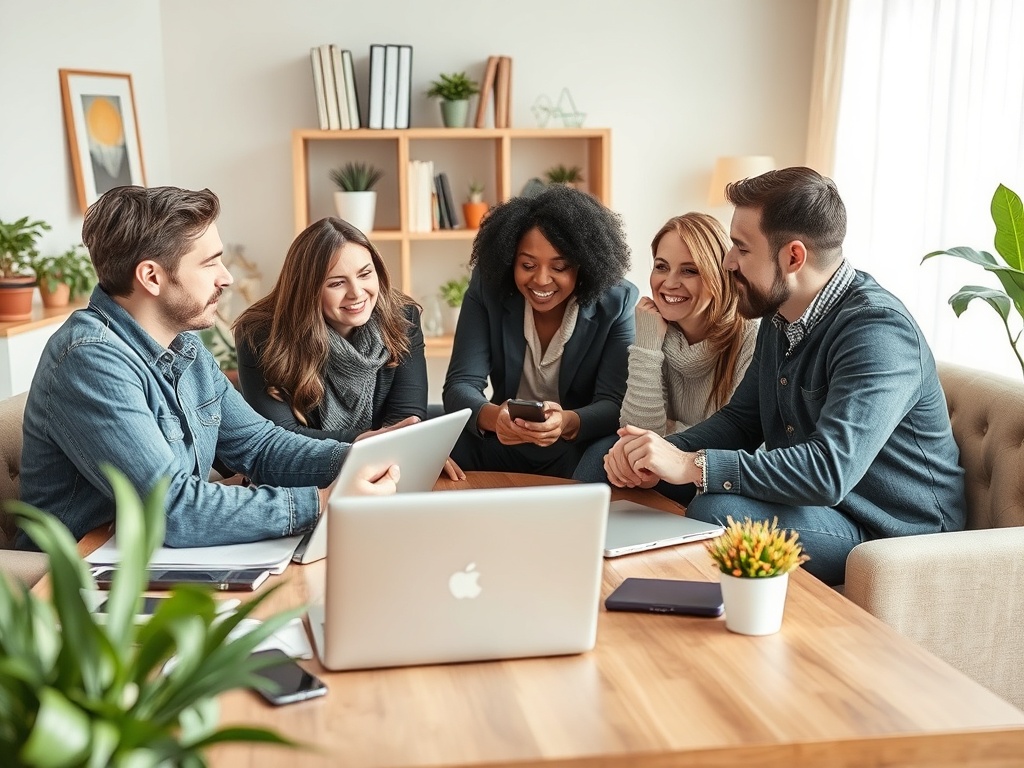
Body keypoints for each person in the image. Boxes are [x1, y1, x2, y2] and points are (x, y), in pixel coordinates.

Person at [603, 167, 966, 586]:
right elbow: (741, 421)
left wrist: (690, 464)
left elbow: (829, 470)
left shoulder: (878, 331)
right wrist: (657, 453)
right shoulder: (781, 317)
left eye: (740, 248)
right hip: (816, 503)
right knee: (607, 458)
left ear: (793, 257)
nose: (727, 262)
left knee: (717, 511)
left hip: (888, 530)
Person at [16, 186, 398, 551]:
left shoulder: (184, 346)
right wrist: (320, 503)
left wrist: (350, 458)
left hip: (155, 555)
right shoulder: (90, 360)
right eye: (210, 262)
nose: (226, 277)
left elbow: (260, 447)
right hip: (79, 577)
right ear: (152, 277)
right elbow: (174, 510)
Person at [443, 184, 638, 478]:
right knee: (436, 440)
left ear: (584, 267)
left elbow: (613, 404)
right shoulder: (489, 288)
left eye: (559, 267)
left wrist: (567, 422)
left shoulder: (616, 302)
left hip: (575, 448)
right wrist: (496, 418)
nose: (541, 280)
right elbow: (460, 386)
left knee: (609, 453)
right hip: (500, 441)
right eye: (527, 265)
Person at [573, 212, 758, 496]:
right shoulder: (653, 329)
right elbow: (638, 431)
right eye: (662, 266)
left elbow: (736, 441)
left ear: (719, 273)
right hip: (660, 468)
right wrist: (647, 345)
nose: (669, 283)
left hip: (714, 478)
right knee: (603, 453)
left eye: (689, 270)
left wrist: (671, 430)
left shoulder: (749, 339)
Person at [234, 217, 428, 444]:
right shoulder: (260, 334)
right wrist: (371, 442)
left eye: (365, 274)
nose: (356, 293)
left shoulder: (403, 317)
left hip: (383, 467)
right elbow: (280, 439)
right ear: (307, 290)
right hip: (300, 472)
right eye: (336, 283)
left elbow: (405, 423)